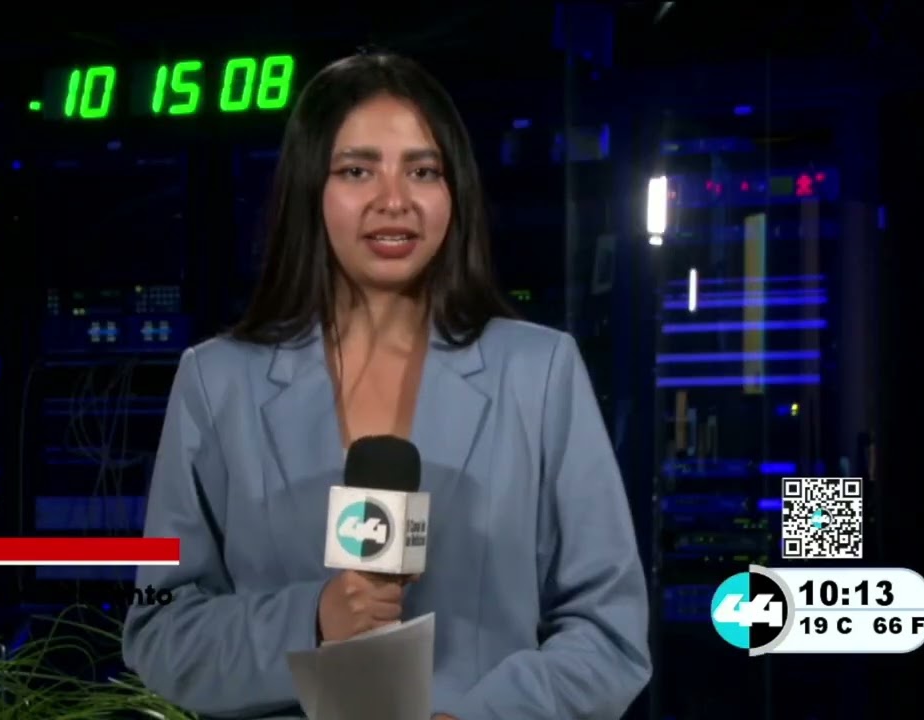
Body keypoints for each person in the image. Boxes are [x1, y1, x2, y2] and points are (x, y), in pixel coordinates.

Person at [122, 51, 651, 719]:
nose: (394, 200)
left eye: (422, 171)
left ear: (454, 193)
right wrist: (313, 618)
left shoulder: (540, 373)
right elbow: (160, 629)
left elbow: (610, 634)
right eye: (357, 170)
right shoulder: (217, 382)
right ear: (311, 189)